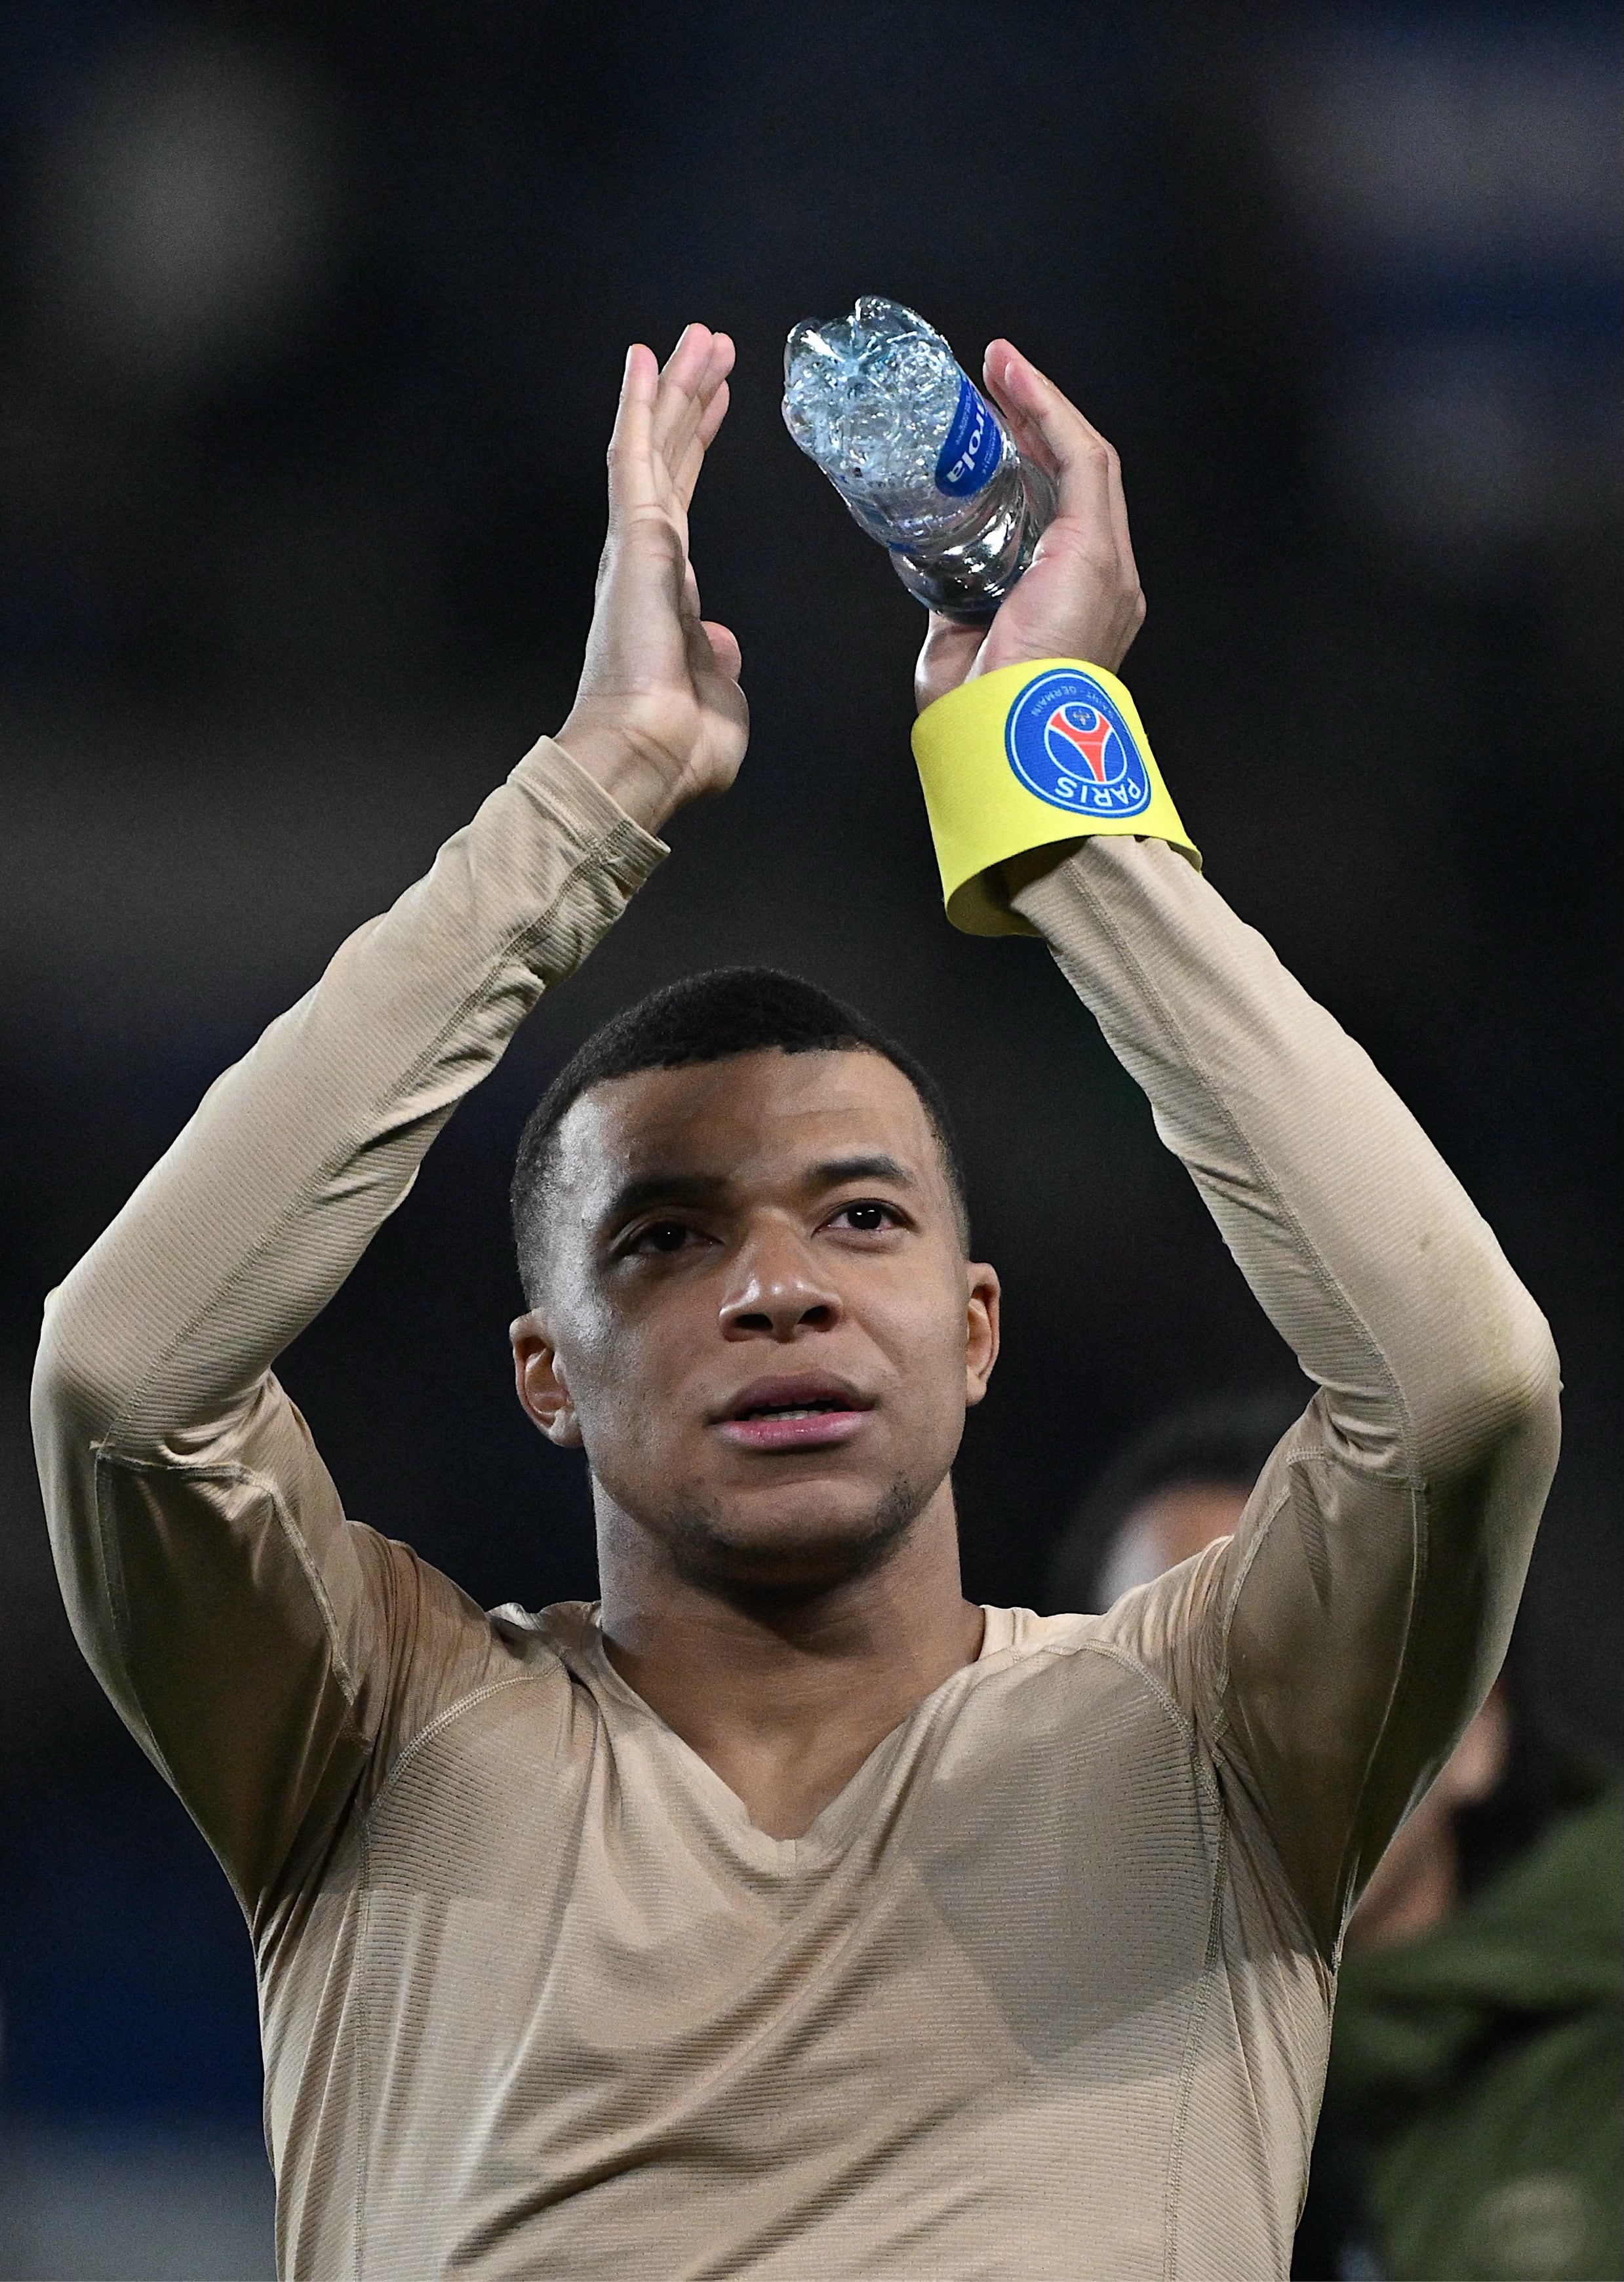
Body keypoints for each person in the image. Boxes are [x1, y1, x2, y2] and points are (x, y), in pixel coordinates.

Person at [31, 323, 1560, 2281]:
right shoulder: (369, 1737)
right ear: (542, 1375)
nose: (773, 1288)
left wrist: (1046, 771)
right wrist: (592, 793)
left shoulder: (1209, 1744)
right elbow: (121, 1382)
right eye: (663, 1239)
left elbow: (1456, 1391)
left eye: (857, 1219)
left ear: (978, 1325)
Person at [1050, 1399, 1622, 2282]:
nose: (1245, 1738)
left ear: (1476, 1727)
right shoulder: (1015, 2126)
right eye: (1168, 1682)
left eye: (1319, 1657)